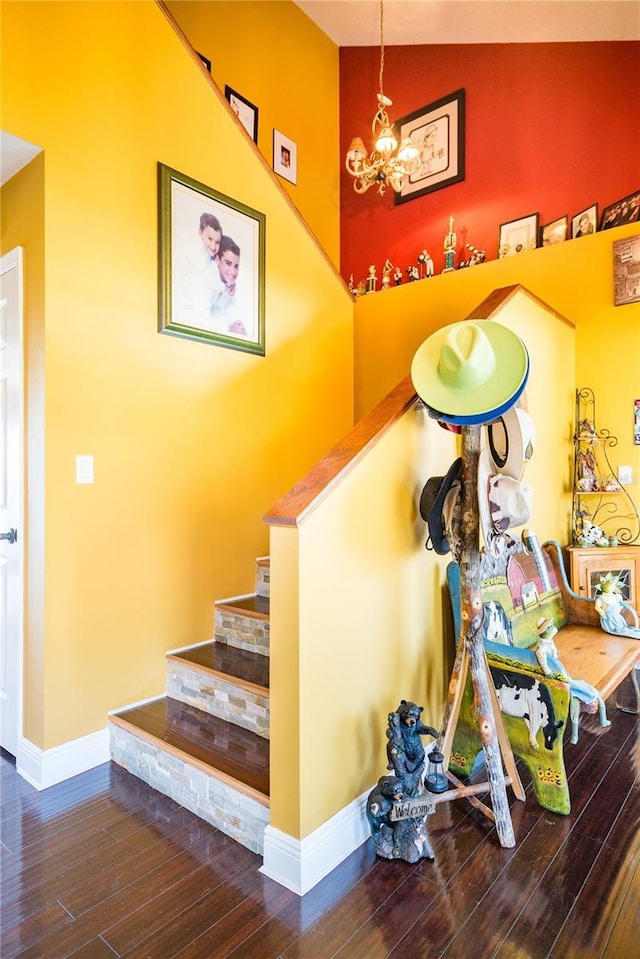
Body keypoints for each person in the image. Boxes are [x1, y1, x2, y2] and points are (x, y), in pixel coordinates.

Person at [173, 212, 224, 326]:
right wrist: (224, 287)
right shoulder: (194, 255)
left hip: (200, 312)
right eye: (210, 239)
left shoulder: (212, 261)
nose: (213, 246)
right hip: (185, 312)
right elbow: (207, 281)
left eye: (217, 242)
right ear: (200, 233)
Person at [211, 235, 247, 335]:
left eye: (236, 266)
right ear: (217, 260)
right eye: (228, 263)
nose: (233, 272)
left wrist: (238, 325)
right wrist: (229, 328)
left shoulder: (230, 283)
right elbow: (200, 318)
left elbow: (227, 311)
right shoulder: (206, 281)